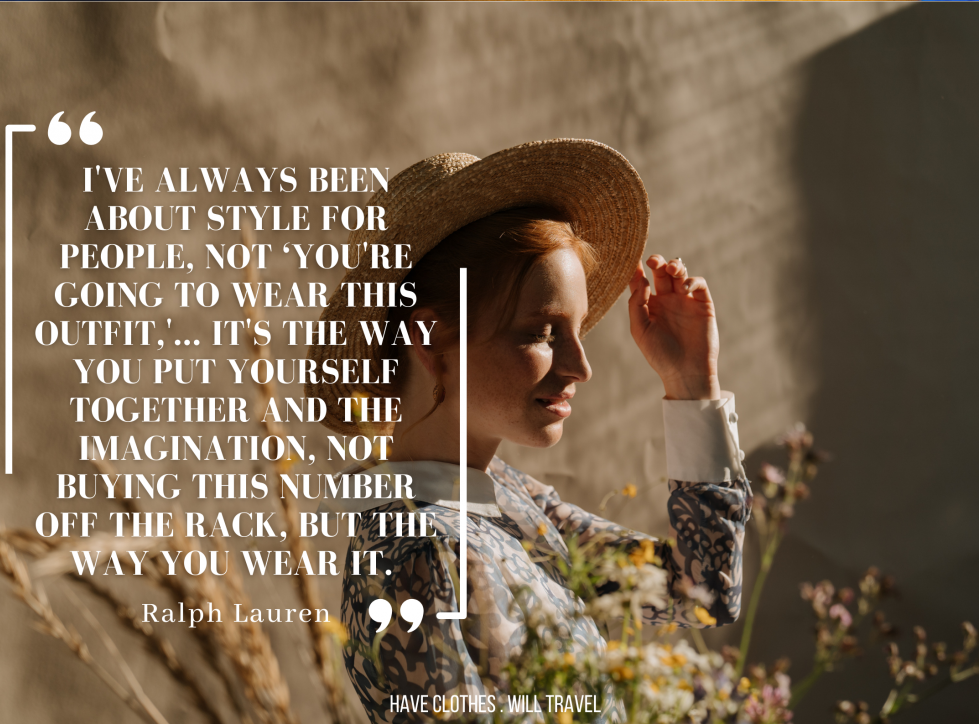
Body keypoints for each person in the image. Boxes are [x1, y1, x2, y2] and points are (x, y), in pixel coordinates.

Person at [308, 140, 752, 723]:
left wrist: (691, 381)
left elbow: (701, 593)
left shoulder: (506, 501)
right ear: (432, 338)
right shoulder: (420, 555)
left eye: (578, 332)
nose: (580, 367)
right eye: (543, 332)